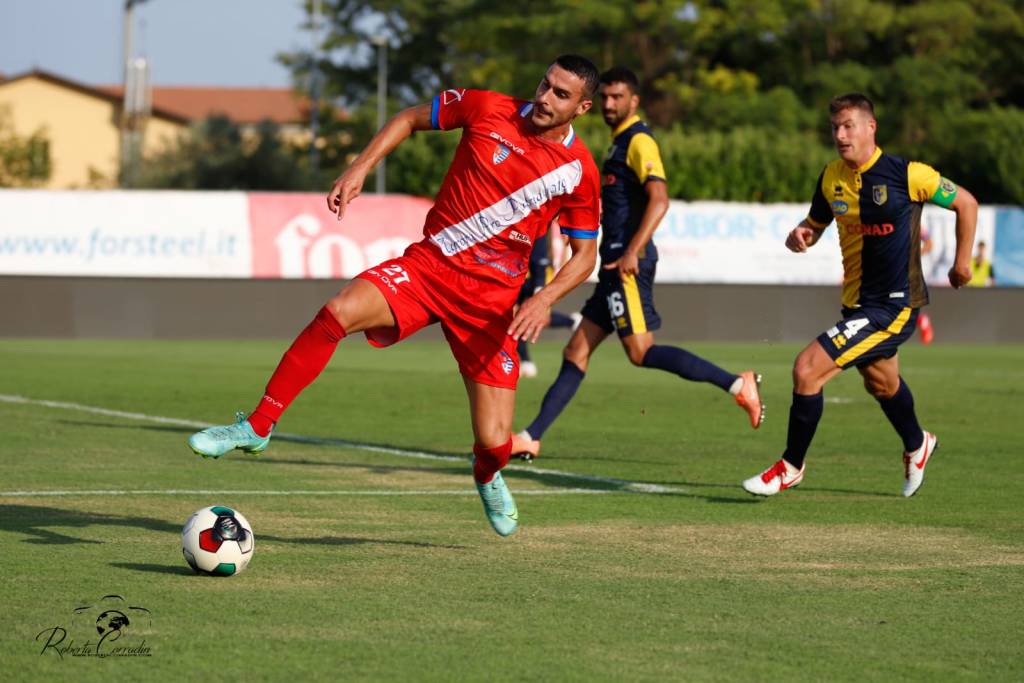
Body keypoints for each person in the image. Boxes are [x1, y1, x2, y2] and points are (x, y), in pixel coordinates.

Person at [187, 55, 605, 537]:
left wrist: (543, 298)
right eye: (544, 83)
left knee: (493, 442)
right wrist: (360, 166)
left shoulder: (579, 172)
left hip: (490, 306)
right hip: (429, 269)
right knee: (337, 312)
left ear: (582, 107)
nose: (544, 97)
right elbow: (409, 117)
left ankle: (487, 474)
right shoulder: (486, 107)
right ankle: (257, 426)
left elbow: (584, 256)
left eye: (560, 94)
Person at [511, 67, 764, 462]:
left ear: (634, 101)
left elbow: (659, 199)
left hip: (627, 264)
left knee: (641, 352)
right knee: (576, 352)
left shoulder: (639, 141)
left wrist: (632, 250)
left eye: (618, 97)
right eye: (606, 97)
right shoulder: (617, 144)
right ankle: (531, 436)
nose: (610, 104)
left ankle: (737, 384)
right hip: (612, 265)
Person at [742, 93, 978, 498]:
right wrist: (802, 234)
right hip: (856, 302)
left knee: (806, 369)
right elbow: (814, 224)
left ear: (871, 127)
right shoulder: (831, 176)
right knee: (882, 385)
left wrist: (962, 263)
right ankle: (917, 443)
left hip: (892, 304)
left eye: (849, 125)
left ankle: (790, 466)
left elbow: (966, 203)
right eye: (835, 127)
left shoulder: (908, 175)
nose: (840, 134)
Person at [516, 223, 583, 378]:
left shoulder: (547, 219)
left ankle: (570, 321)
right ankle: (525, 362)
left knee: (539, 318)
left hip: (540, 275)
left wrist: (539, 290)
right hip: (519, 274)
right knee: (515, 318)